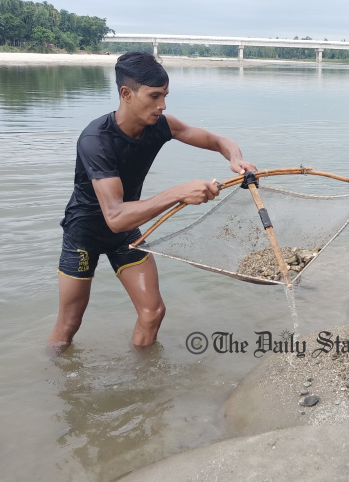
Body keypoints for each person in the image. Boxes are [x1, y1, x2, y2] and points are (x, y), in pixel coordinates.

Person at [48, 51, 256, 348]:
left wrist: (236, 159)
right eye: (155, 96)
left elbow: (218, 140)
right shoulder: (96, 140)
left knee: (153, 312)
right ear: (126, 94)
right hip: (85, 235)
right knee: (69, 323)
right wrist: (178, 193)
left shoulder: (161, 125)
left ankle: (141, 380)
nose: (163, 105)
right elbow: (115, 216)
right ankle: (52, 381)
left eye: (165, 95)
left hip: (127, 231)